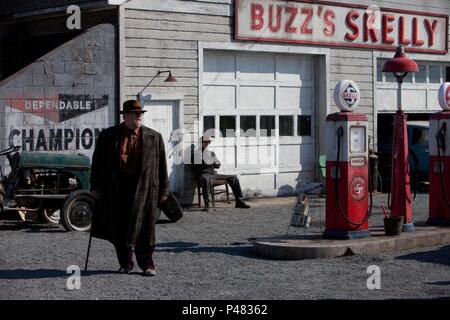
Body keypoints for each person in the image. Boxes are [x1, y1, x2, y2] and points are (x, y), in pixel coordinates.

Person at [90, 99, 169, 276]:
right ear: (125, 116)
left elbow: (162, 165)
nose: (139, 116)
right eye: (135, 113)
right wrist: (94, 186)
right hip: (117, 188)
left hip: (145, 188)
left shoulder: (154, 137)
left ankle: (147, 265)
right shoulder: (108, 136)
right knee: (120, 228)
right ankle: (125, 263)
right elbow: (97, 163)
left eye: (140, 113)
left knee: (146, 229)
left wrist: (164, 189)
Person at [193, 135, 250, 210]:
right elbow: (203, 164)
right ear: (201, 142)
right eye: (205, 142)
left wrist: (210, 161)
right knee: (206, 179)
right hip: (203, 175)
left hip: (213, 174)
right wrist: (211, 161)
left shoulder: (211, 153)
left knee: (234, 177)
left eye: (208, 142)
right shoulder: (197, 153)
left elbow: (218, 164)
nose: (207, 144)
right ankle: (207, 203)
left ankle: (239, 200)